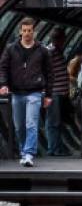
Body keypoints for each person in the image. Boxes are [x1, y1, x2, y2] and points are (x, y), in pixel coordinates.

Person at [0, 17, 53, 166]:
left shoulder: (42, 50)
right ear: (20, 31)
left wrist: (48, 94)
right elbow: (3, 67)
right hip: (17, 92)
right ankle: (24, 152)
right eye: (24, 31)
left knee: (31, 123)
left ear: (34, 32)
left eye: (29, 31)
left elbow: (49, 73)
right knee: (19, 126)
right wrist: (3, 84)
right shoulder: (11, 48)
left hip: (35, 92)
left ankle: (29, 153)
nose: (27, 33)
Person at [44, 27, 72, 157]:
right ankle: (53, 149)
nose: (64, 42)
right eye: (63, 39)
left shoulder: (58, 51)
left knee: (56, 121)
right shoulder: (50, 51)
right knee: (53, 122)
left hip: (59, 93)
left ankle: (57, 148)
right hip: (53, 93)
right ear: (59, 39)